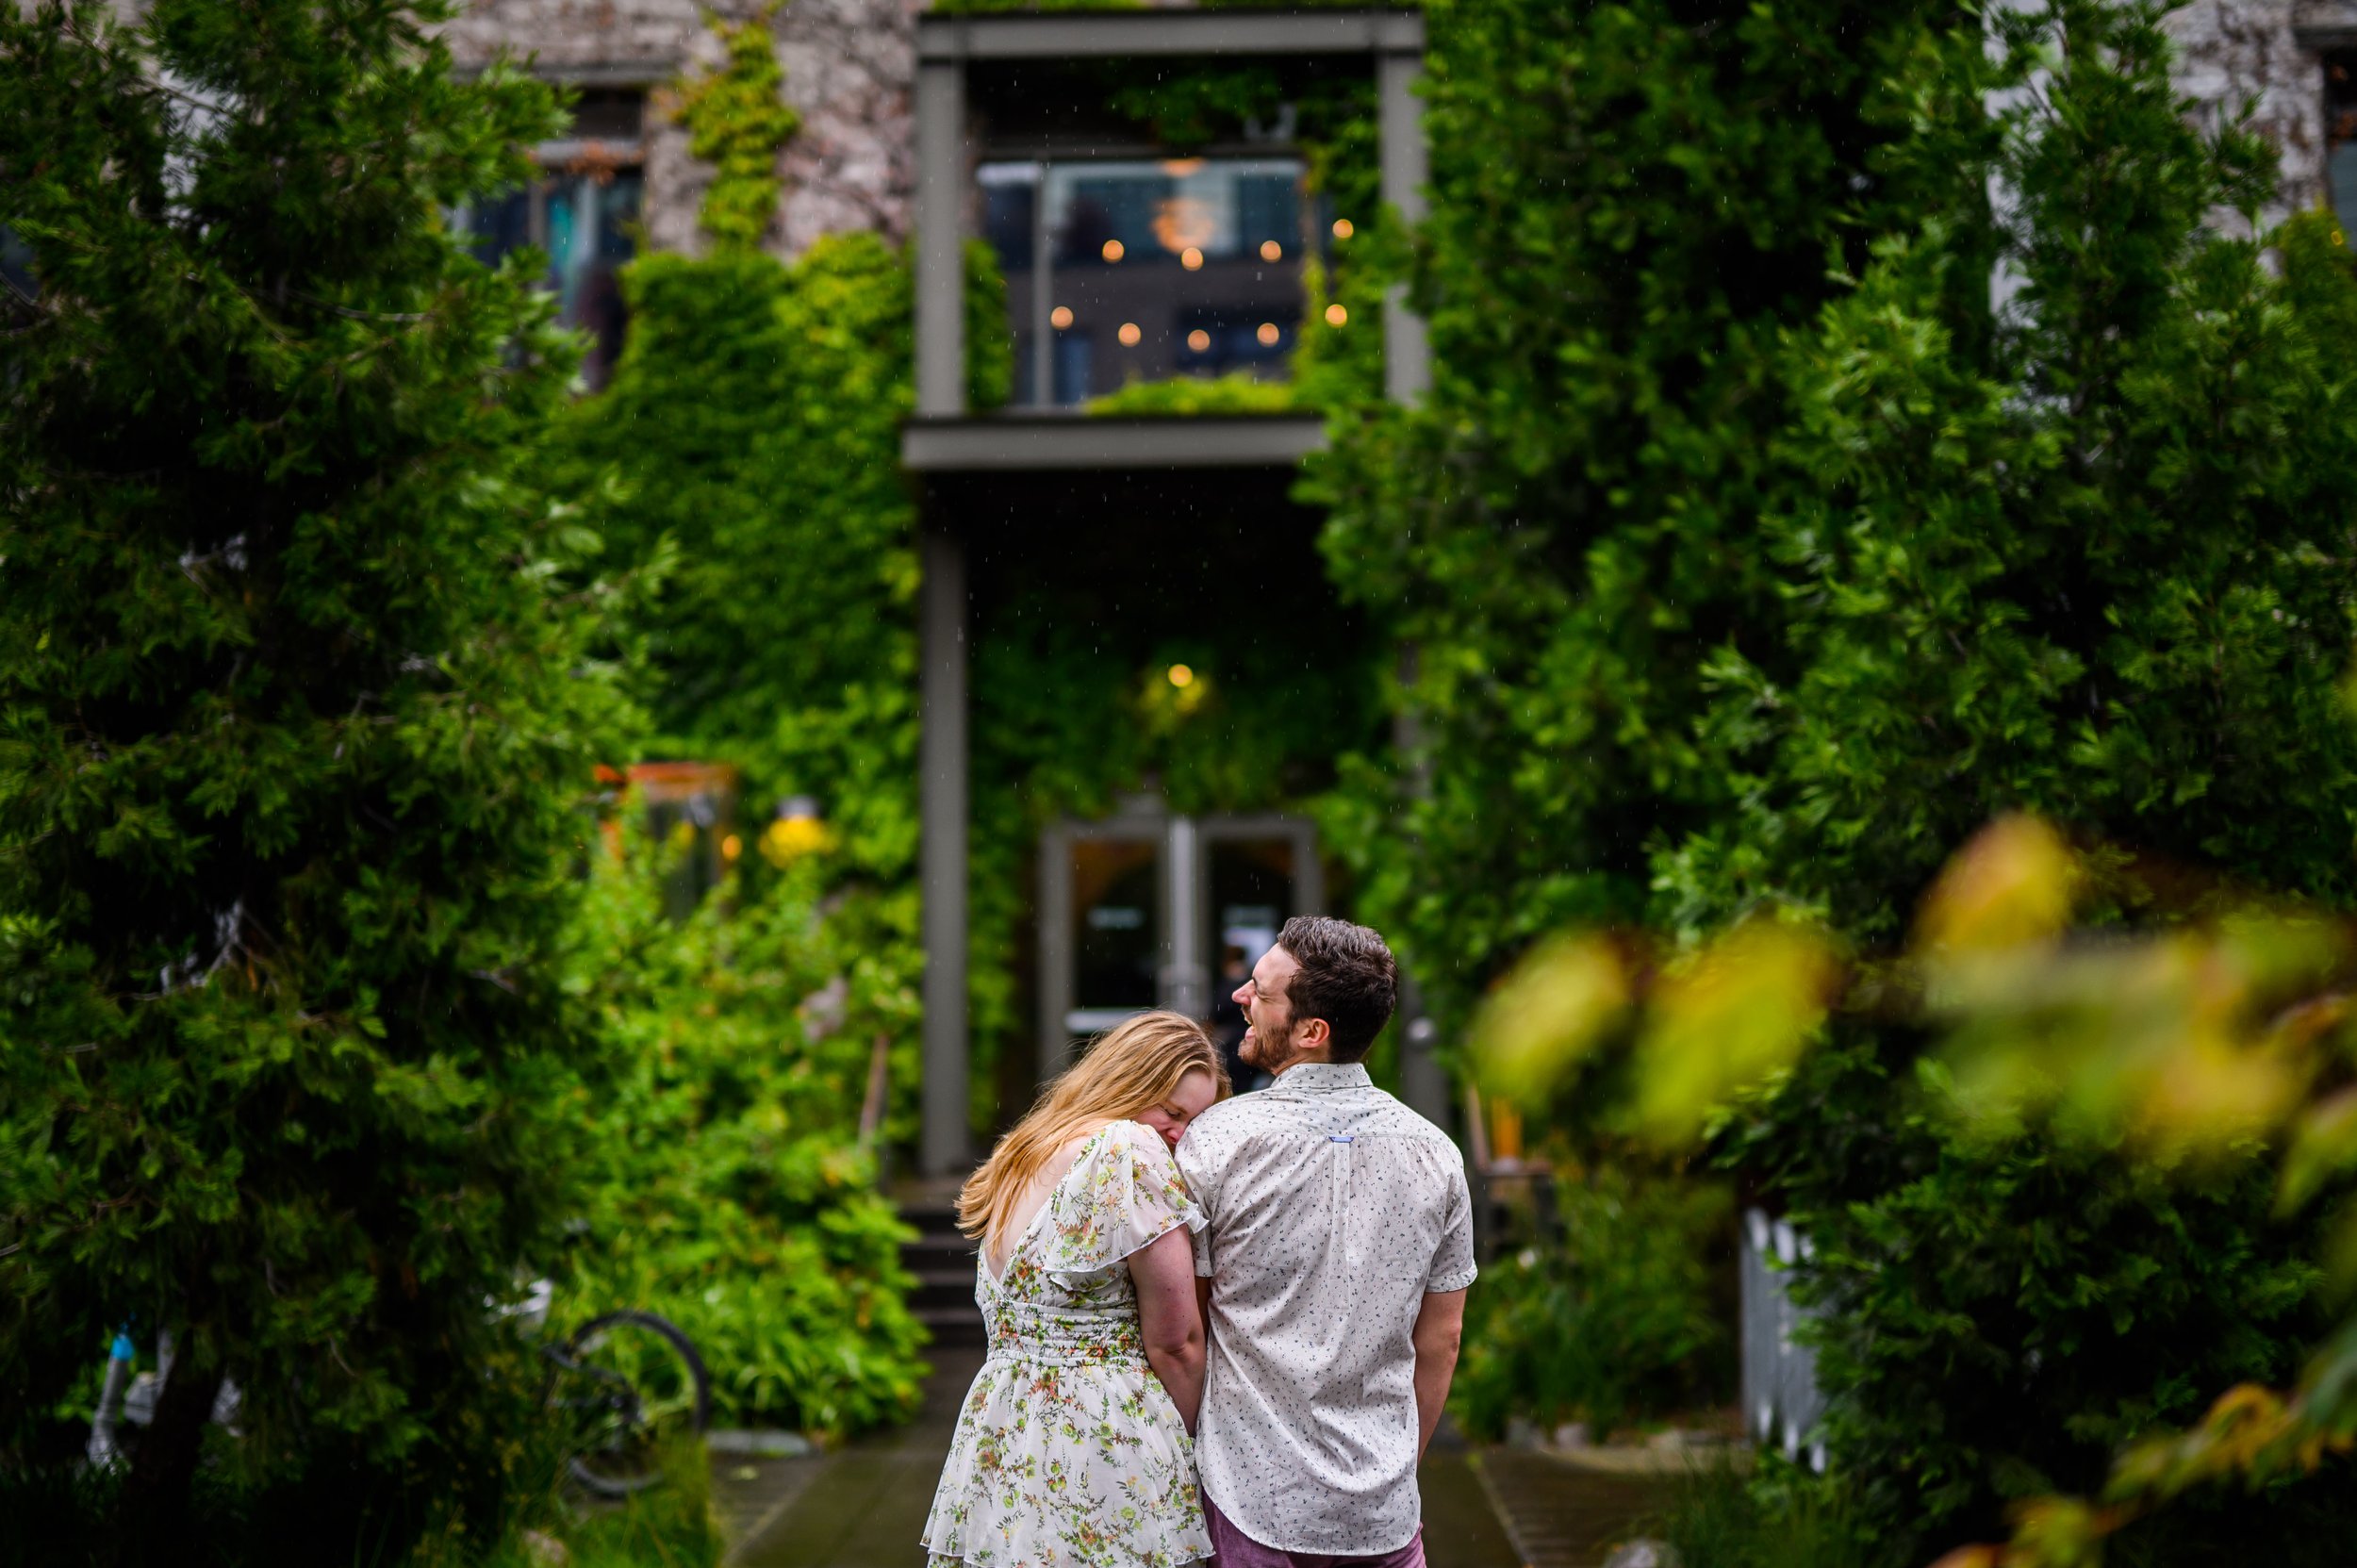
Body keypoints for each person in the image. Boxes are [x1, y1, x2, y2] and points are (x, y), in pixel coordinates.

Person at [1175, 916, 1477, 1568]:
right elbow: (1442, 1338)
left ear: (1313, 1032)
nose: (1239, 998)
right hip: (1383, 1514)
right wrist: (1397, 1465)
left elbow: (1188, 1330)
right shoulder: (1438, 1155)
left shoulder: (1218, 1141)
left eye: (1262, 991)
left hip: (1249, 1498)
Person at [922, 1011, 1229, 1568]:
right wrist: (1194, 1451)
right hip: (1104, 1436)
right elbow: (1177, 1341)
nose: (1179, 1133)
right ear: (1128, 1085)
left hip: (1005, 1426)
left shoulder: (1026, 1148)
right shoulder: (1129, 1150)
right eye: (1172, 1111)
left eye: (1195, 1121)